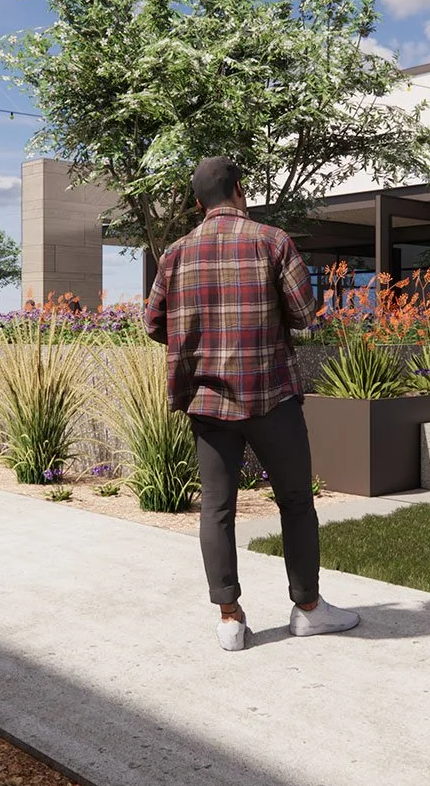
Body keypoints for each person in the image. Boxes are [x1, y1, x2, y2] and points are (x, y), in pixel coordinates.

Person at [145, 156, 360, 652]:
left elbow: (154, 323)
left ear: (198, 203)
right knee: (295, 503)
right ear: (241, 190)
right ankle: (307, 608)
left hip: (207, 402)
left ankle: (229, 619)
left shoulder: (175, 254)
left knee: (217, 509)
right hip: (271, 396)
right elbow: (305, 314)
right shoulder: (272, 240)